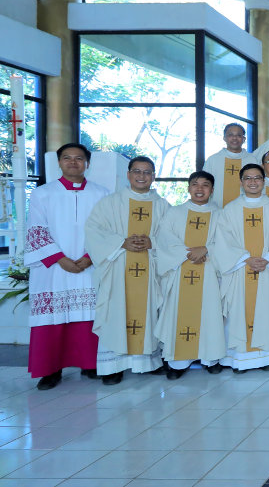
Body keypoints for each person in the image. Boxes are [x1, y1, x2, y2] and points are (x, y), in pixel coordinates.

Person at [26, 143, 109, 390]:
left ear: (87, 163)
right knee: (52, 319)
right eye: (67, 158)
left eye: (79, 158)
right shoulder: (42, 193)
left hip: (89, 264)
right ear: (59, 162)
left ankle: (90, 364)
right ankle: (50, 370)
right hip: (53, 268)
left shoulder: (101, 194)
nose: (73, 162)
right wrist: (60, 259)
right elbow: (36, 229)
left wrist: (89, 257)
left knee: (89, 316)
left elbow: (107, 230)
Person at [86, 156, 170, 384]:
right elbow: (93, 230)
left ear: (153, 176)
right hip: (118, 267)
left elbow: (173, 236)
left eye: (147, 172)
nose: (142, 176)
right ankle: (113, 366)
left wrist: (152, 242)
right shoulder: (110, 203)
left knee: (150, 311)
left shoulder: (163, 206)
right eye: (137, 171)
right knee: (117, 312)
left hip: (150, 268)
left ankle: (148, 361)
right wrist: (121, 242)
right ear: (128, 174)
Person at [215, 164, 269, 371]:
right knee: (239, 311)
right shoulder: (229, 211)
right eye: (248, 178)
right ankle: (241, 359)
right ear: (241, 182)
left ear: (264, 182)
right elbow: (223, 241)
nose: (253, 182)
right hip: (240, 270)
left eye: (257, 178)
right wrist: (246, 259)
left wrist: (267, 258)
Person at [155, 171, 226, 378]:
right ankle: (179, 362)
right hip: (180, 272)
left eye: (205, 185)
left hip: (210, 273)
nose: (200, 189)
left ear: (212, 190)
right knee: (180, 314)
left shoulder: (220, 215)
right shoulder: (175, 213)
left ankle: (210, 358)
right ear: (188, 188)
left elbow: (228, 242)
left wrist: (206, 249)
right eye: (195, 184)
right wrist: (189, 253)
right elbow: (164, 240)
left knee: (210, 313)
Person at [203, 123, 254, 207]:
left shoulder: (252, 160)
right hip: (217, 209)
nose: (234, 138)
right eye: (230, 135)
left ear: (244, 139)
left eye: (238, 135)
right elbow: (205, 185)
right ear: (224, 138)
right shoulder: (213, 160)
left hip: (245, 209)